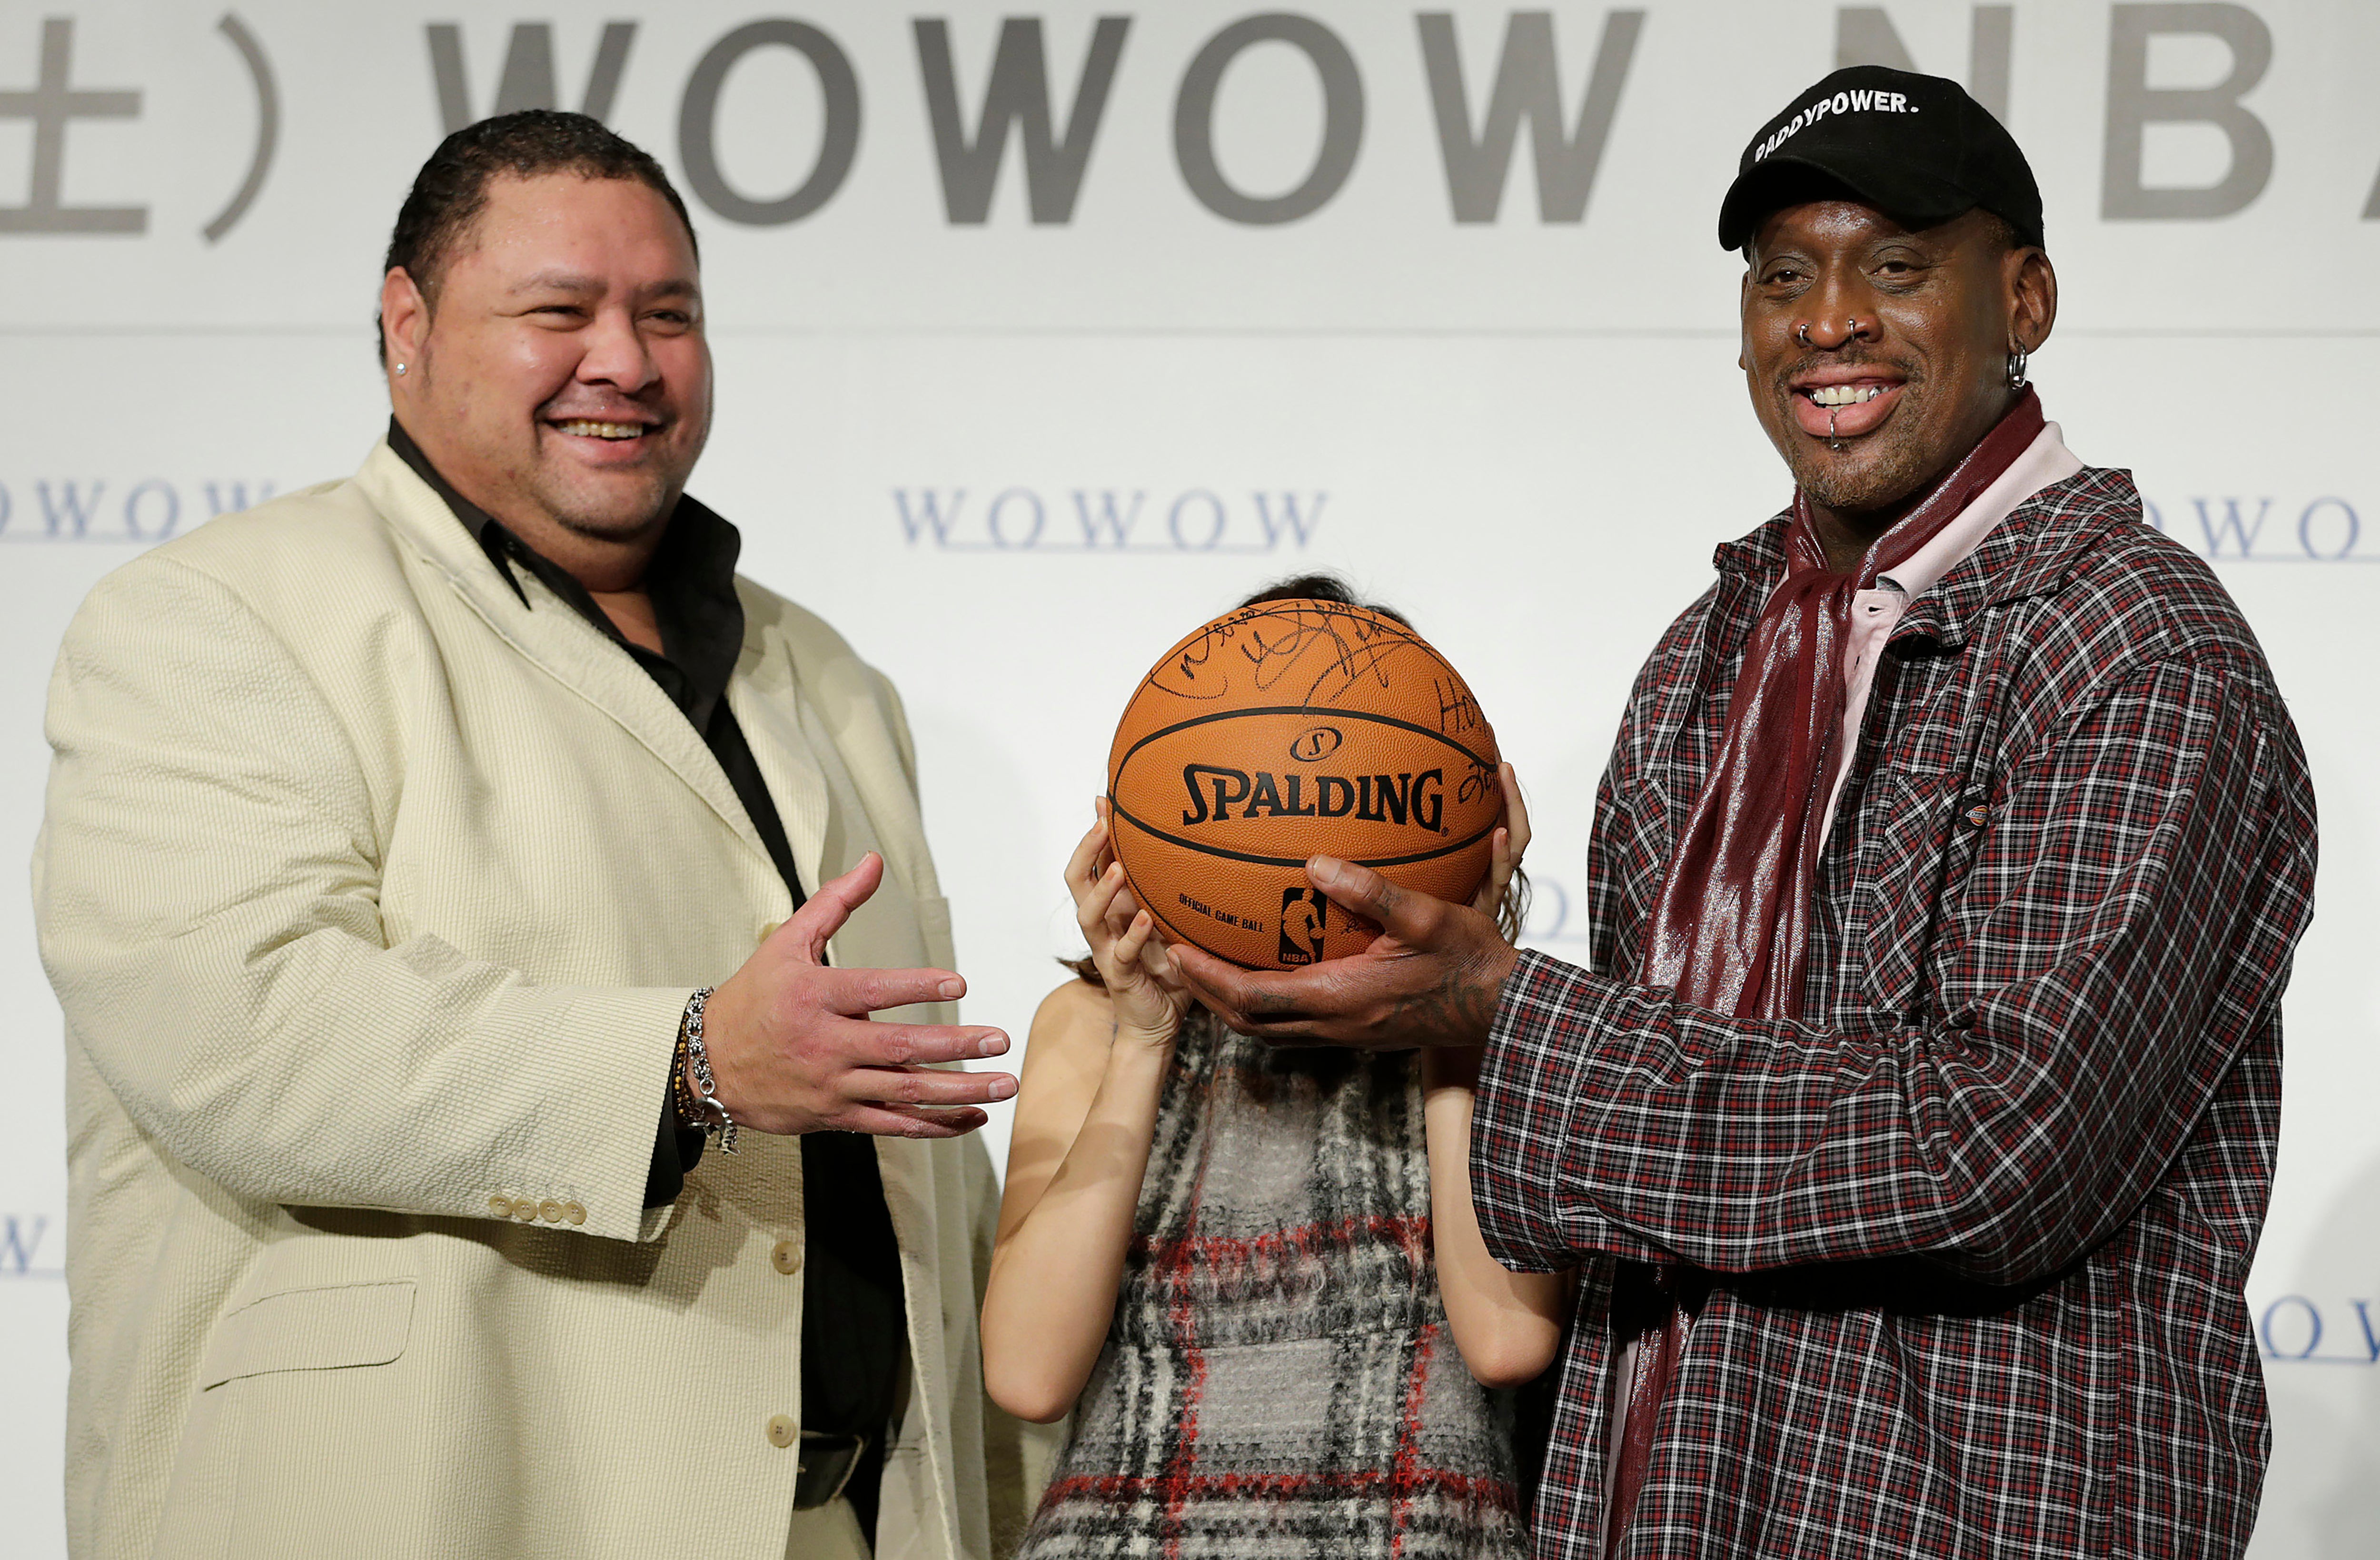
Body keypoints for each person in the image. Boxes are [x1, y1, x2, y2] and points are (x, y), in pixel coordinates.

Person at [1166, 68, 2318, 1560]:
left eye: (1896, 265)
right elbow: (1646, 1172)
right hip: (1663, 1497)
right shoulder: (1704, 655)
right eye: (1784, 274)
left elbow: (1991, 1149)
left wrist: (1508, 1014)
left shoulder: (2136, 648)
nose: (1828, 319)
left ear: (2025, 300)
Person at [36, 111, 1033, 1560]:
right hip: (431, 1508)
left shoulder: (827, 678)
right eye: (558, 311)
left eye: (668, 313)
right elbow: (239, 1028)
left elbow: (897, 1125)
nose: (624, 358)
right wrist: (693, 1061)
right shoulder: (221, 609)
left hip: (840, 1520)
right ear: (407, 325)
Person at [980, 578, 1566, 1559]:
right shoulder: (1090, 1025)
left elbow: (1506, 1344)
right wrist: (1143, 1032)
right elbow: (1029, 1374)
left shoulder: (1507, 1033)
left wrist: (1453, 1007)